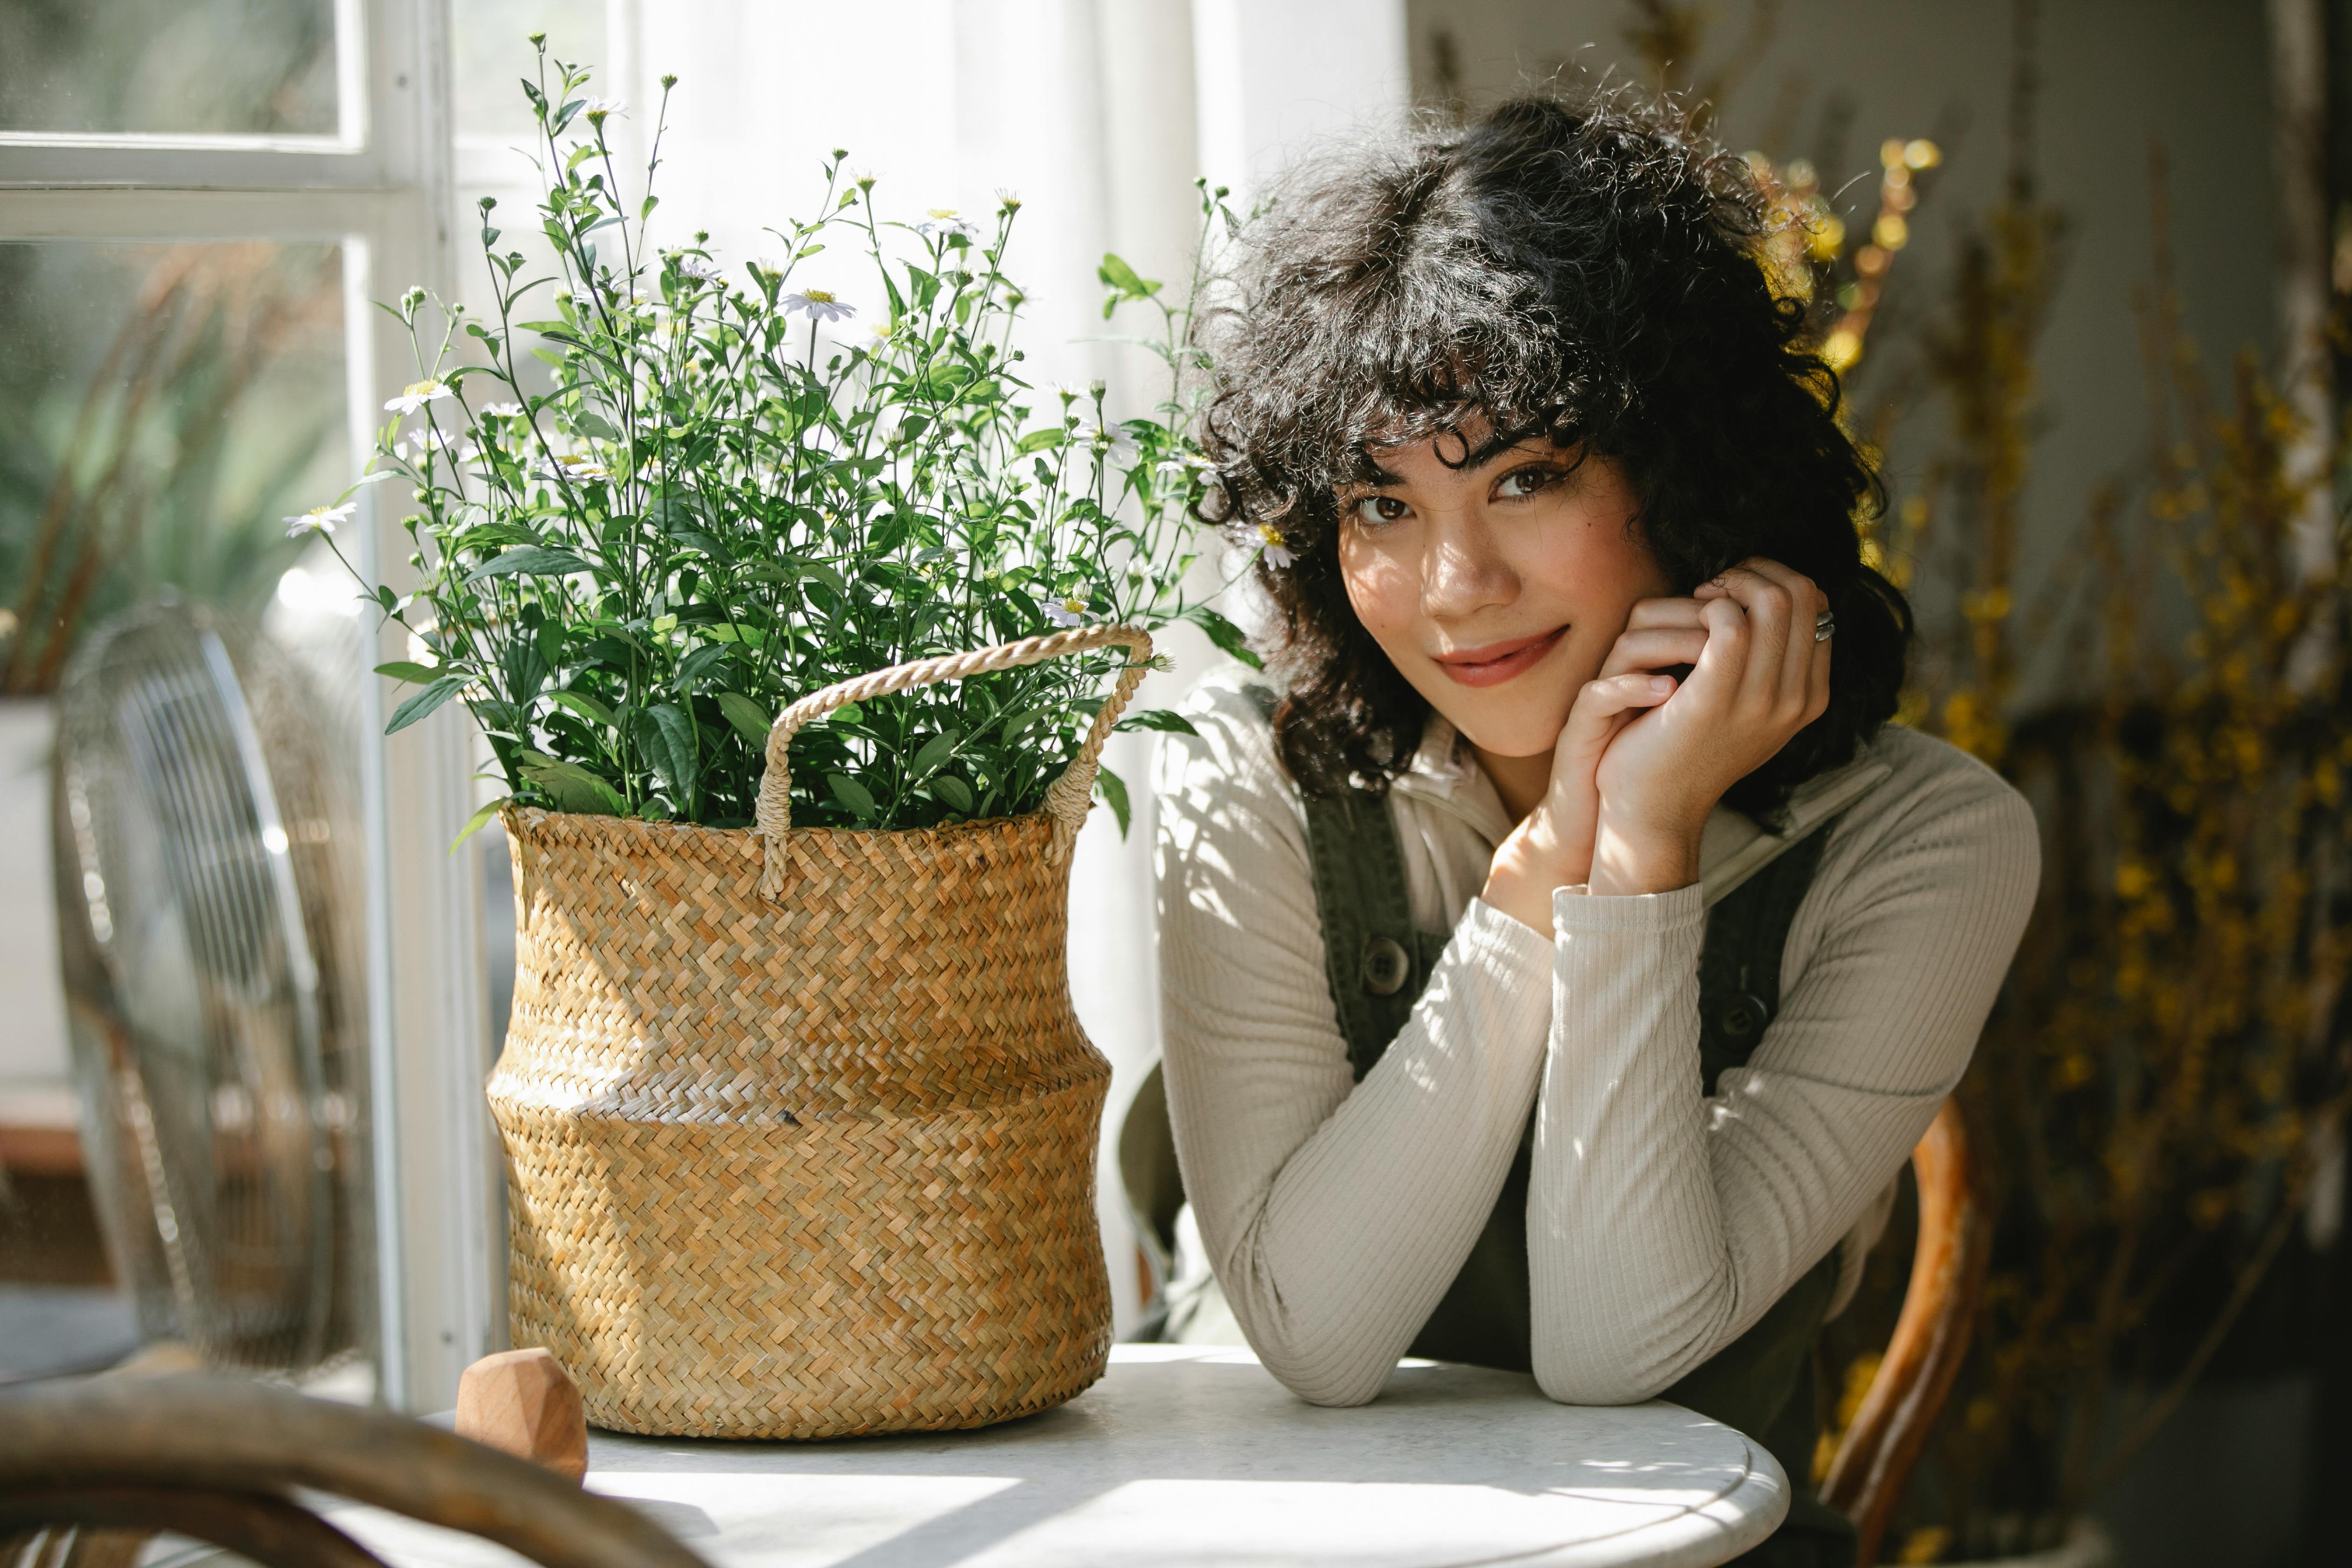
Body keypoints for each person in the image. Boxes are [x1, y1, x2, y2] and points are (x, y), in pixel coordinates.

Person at [1147, 93, 2040, 1565]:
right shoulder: (1246, 778)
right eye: (1382, 501)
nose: (1454, 585)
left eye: (1526, 478)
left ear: (1686, 472)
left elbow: (1619, 1351)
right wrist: (1541, 866)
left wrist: (1637, 854)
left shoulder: (1932, 846)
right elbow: (1312, 1335)